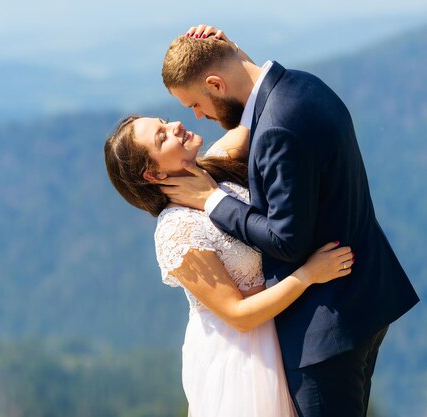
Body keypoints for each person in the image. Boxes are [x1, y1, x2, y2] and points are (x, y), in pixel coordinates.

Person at [157, 25, 419, 417]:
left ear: (215, 83)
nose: (198, 116)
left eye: (195, 103)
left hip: (324, 329)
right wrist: (230, 50)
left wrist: (212, 201)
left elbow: (286, 241)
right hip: (364, 298)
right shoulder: (303, 86)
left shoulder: (276, 126)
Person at [104, 114, 355, 416]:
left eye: (165, 120)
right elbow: (238, 315)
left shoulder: (214, 166)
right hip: (242, 359)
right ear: (153, 174)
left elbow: (256, 113)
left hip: (284, 332)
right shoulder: (177, 230)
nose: (175, 126)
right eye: (162, 136)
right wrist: (308, 275)